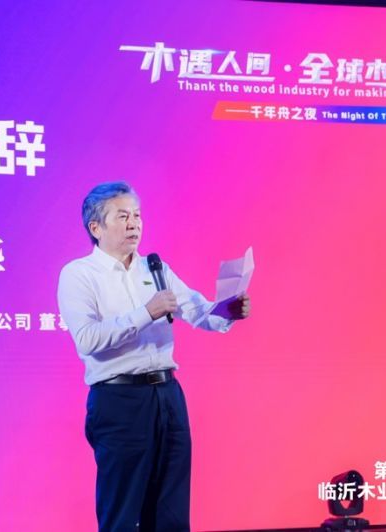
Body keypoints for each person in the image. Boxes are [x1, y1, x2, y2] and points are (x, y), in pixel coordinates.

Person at [57, 182, 250, 532]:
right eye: (123, 216)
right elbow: (87, 339)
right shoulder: (79, 274)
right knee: (122, 511)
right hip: (119, 400)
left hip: (168, 395)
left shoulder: (155, 267)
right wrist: (146, 312)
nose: (134, 224)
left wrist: (227, 311)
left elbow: (197, 311)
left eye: (137, 215)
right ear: (96, 227)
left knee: (171, 510)